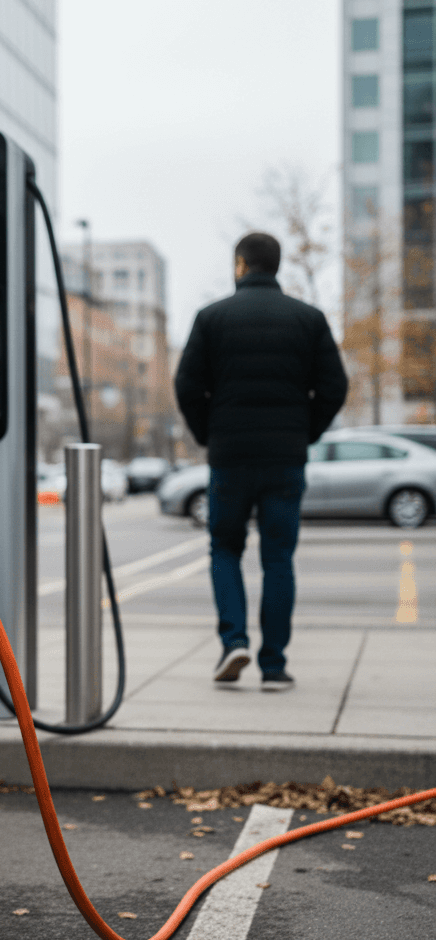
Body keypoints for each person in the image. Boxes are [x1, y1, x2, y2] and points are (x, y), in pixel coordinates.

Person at [174, 232, 347, 690]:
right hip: (285, 459)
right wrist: (303, 432)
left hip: (230, 456)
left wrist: (209, 434)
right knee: (278, 559)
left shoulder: (211, 318)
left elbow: (187, 386)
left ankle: (234, 641)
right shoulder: (308, 319)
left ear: (240, 265)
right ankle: (274, 666)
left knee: (225, 548)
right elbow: (334, 387)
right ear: (276, 265)